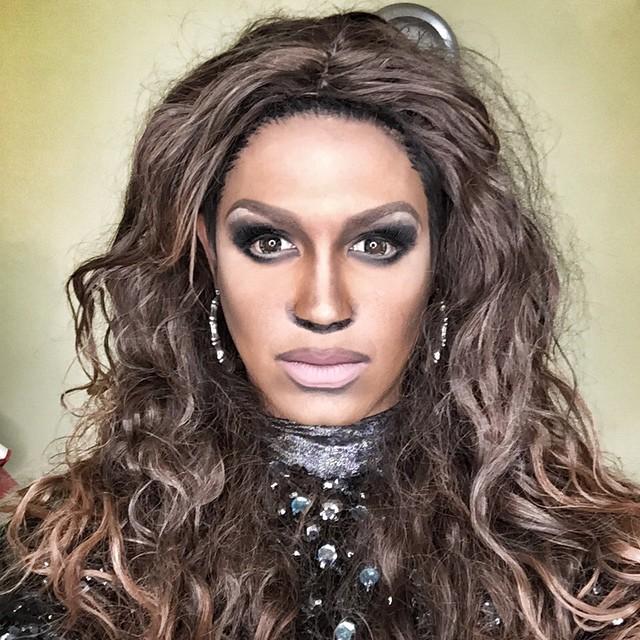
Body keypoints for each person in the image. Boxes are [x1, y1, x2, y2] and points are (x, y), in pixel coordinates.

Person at [1, 9, 639, 640]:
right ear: (206, 254)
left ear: (446, 261)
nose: (324, 307)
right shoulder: (66, 562)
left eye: (377, 244)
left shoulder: (593, 572)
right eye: (269, 242)